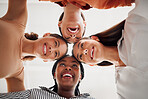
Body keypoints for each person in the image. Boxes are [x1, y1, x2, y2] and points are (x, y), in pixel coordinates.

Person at [73, 0, 148, 98]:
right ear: (92, 64)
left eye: (82, 45)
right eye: (81, 56)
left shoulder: (132, 26)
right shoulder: (121, 88)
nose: (84, 51)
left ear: (95, 39)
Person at [0, 0, 68, 86]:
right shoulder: (18, 21)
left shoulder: (17, 74)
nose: (52, 49)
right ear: (47, 35)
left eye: (56, 53)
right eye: (55, 43)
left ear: (46, 60)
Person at [0, 55, 95, 99]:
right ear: (54, 74)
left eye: (74, 66)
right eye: (62, 64)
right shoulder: (33, 94)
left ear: (80, 77)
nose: (68, 68)